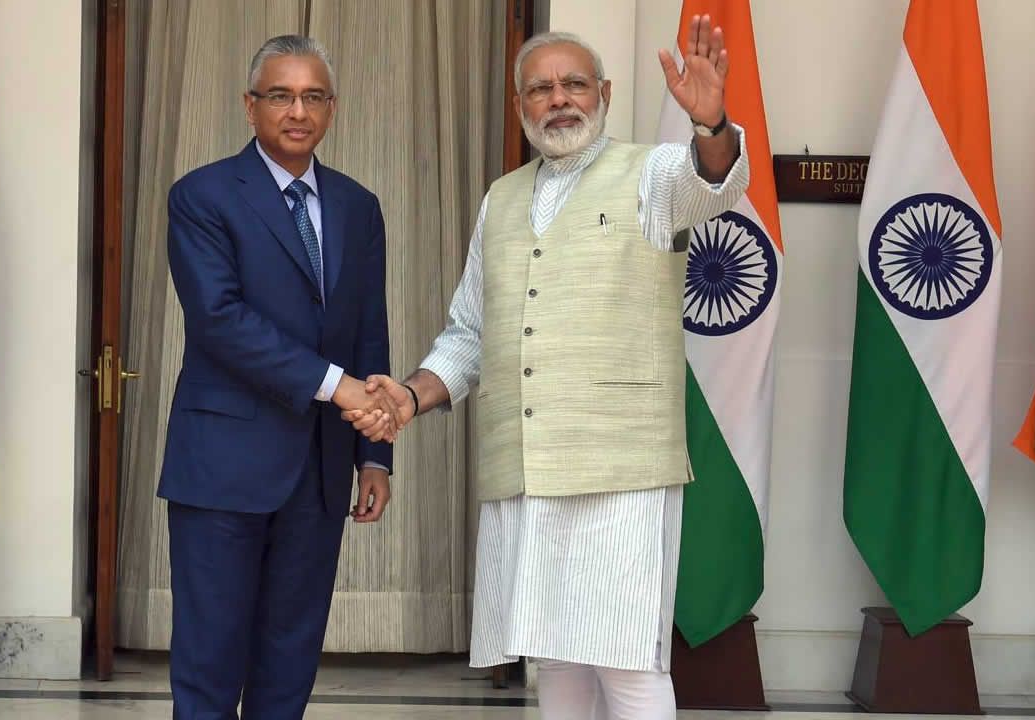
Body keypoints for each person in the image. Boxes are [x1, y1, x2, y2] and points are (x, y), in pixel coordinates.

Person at [344, 17, 750, 720]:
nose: (559, 99)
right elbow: (471, 332)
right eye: (541, 89)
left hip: (620, 466)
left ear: (605, 92)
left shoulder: (651, 172)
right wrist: (408, 397)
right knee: (555, 657)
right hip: (525, 467)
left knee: (627, 661)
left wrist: (711, 123)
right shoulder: (501, 198)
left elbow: (710, 186)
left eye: (574, 84)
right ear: (520, 106)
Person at [158, 34, 401, 720]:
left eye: (313, 96)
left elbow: (367, 331)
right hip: (222, 469)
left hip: (319, 473)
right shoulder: (201, 196)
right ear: (250, 105)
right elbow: (220, 320)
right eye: (281, 95)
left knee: (289, 664)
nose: (298, 111)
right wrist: (338, 386)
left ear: (332, 108)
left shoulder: (358, 206)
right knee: (209, 662)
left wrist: (374, 453)